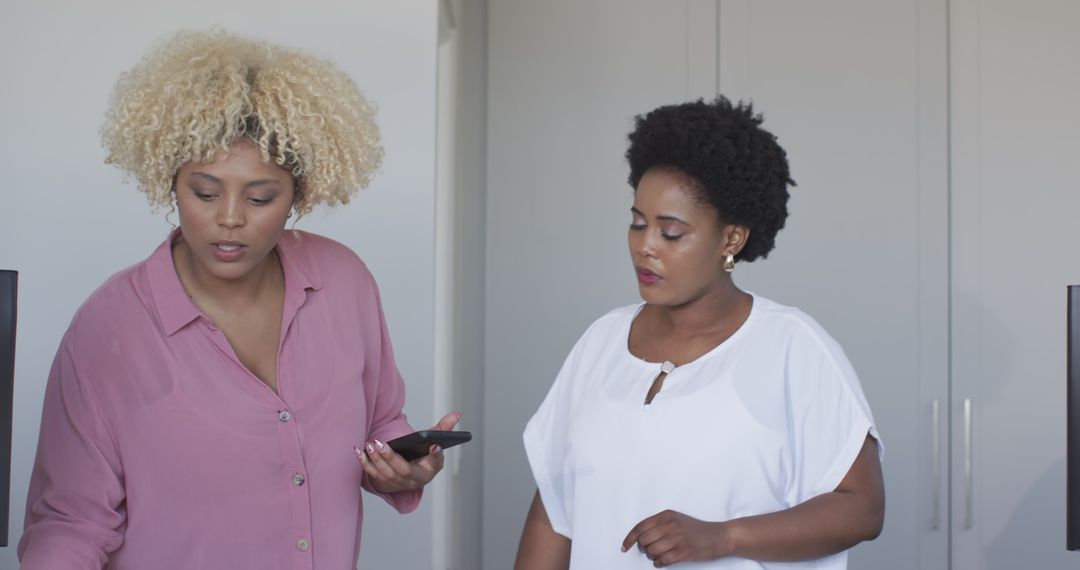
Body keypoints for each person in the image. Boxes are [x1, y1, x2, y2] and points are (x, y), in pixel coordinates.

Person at [18, 30, 460, 569]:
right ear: (169, 182)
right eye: (204, 192)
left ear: (299, 193)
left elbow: (381, 419)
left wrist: (403, 465)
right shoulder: (108, 327)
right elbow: (70, 520)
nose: (229, 217)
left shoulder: (344, 282)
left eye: (259, 197)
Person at [515, 97, 884, 569]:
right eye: (637, 223)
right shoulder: (601, 342)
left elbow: (862, 507)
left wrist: (725, 537)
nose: (645, 246)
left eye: (670, 233)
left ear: (731, 238)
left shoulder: (792, 347)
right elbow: (553, 511)